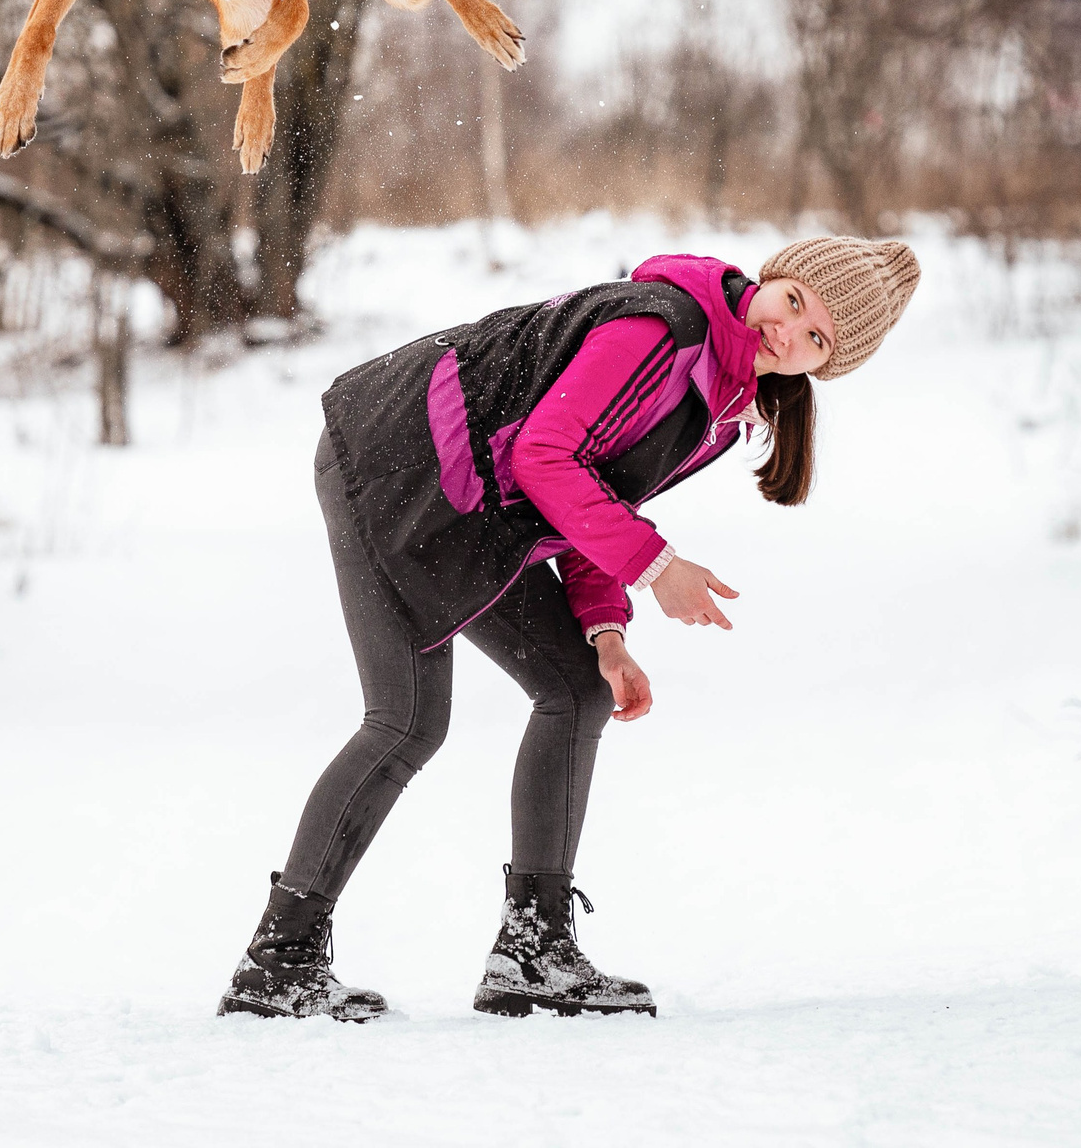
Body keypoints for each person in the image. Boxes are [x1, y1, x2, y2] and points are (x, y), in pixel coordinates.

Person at [218, 236, 923, 1022]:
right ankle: (278, 962)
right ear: (774, 278)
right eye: (793, 302)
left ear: (820, 369)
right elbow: (546, 456)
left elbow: (597, 489)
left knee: (577, 688)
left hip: (476, 496)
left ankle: (534, 951)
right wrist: (656, 567)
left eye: (816, 339)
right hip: (396, 462)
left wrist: (605, 631)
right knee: (407, 718)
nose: (788, 333)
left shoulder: (720, 407)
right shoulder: (665, 329)